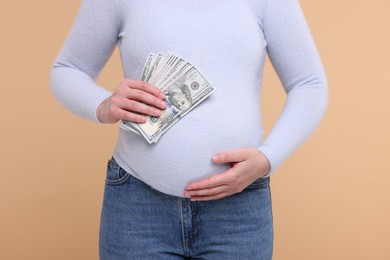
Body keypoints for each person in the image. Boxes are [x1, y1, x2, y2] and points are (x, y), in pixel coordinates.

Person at [50, 0, 327, 259]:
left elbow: (309, 84)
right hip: (137, 206)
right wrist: (102, 105)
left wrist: (269, 158)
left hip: (239, 211)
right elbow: (68, 69)